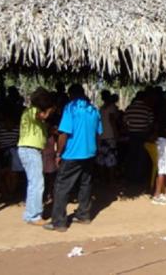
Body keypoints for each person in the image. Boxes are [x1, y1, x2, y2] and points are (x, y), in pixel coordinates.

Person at [44, 84, 102, 232]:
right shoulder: (94, 110)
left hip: (72, 154)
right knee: (85, 184)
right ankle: (83, 214)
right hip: (89, 153)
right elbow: (98, 134)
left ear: (71, 95)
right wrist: (95, 149)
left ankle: (59, 222)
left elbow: (64, 133)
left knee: (61, 186)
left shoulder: (70, 108)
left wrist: (59, 153)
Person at [17, 88, 55, 226]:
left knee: (34, 183)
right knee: (37, 183)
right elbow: (42, 117)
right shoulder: (33, 110)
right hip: (30, 149)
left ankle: (30, 214)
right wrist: (50, 111)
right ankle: (34, 216)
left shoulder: (33, 114)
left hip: (31, 150)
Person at [123, 91, 154, 183]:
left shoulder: (129, 108)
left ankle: (130, 177)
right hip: (143, 135)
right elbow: (151, 124)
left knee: (132, 156)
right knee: (141, 157)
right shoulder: (147, 109)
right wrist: (146, 131)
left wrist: (129, 129)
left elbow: (124, 122)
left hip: (132, 134)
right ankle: (139, 178)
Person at [96, 90, 120, 184]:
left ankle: (102, 179)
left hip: (101, 136)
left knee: (101, 159)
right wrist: (116, 133)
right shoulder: (112, 108)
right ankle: (111, 180)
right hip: (110, 136)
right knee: (111, 159)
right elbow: (112, 121)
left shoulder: (101, 109)